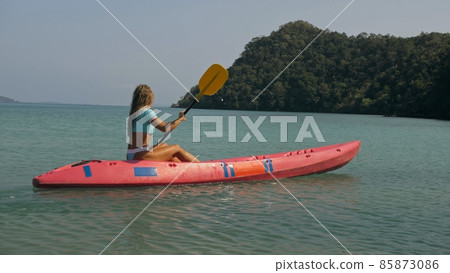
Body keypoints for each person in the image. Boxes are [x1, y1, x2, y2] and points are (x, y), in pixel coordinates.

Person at [126, 84, 199, 162]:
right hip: (140, 154)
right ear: (149, 98)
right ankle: (201, 166)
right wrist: (180, 119)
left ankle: (181, 169)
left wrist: (177, 119)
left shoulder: (135, 113)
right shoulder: (147, 112)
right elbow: (165, 128)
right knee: (176, 148)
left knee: (164, 146)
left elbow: (164, 125)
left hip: (131, 153)